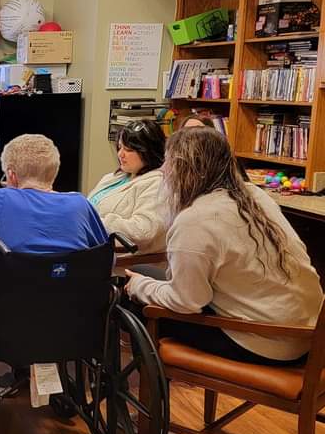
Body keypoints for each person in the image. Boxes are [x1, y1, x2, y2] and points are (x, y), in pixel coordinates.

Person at [125, 127, 323, 365]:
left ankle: (153, 385)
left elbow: (187, 302)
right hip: (309, 335)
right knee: (144, 274)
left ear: (182, 169)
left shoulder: (195, 220)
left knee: (134, 302)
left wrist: (139, 287)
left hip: (267, 343)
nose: (163, 170)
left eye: (167, 162)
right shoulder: (256, 195)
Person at [0, 134, 108, 276]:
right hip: (75, 300)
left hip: (11, 300)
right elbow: (106, 259)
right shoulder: (80, 204)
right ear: (53, 171)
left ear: (12, 175)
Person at [86, 119, 167, 253]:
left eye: (128, 150)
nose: (120, 154)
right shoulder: (114, 177)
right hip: (92, 248)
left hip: (119, 259)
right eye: (120, 147)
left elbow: (143, 231)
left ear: (149, 152)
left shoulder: (158, 184)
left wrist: (96, 222)